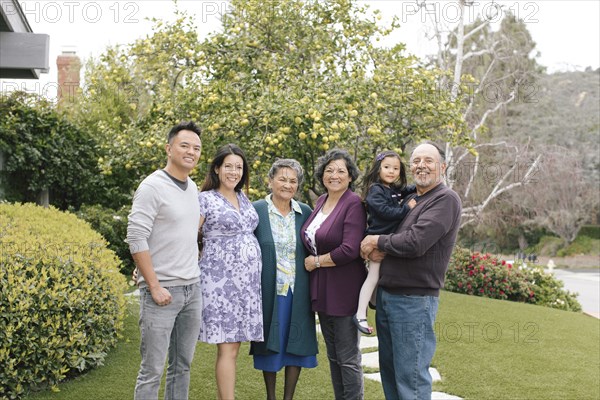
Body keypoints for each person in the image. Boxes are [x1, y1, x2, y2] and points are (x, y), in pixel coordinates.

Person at [360, 142, 462, 400]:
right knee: (391, 375)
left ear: (442, 167)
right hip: (388, 296)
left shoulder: (444, 199)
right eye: (416, 161)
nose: (421, 165)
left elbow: (415, 242)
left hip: (413, 302)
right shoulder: (411, 198)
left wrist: (377, 241)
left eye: (428, 160)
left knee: (411, 380)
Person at [126, 121, 203, 400]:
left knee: (182, 367)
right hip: (161, 292)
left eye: (196, 148)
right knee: (152, 370)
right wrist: (153, 283)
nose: (191, 152)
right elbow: (136, 237)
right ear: (168, 148)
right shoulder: (152, 186)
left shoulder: (193, 187)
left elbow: (185, 234)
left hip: (192, 290)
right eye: (185, 145)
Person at [300, 148, 367, 400]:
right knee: (333, 356)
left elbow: (349, 249)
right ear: (322, 175)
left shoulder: (353, 203)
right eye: (329, 170)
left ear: (350, 176)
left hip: (344, 290)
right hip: (323, 291)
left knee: (348, 358)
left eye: (341, 171)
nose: (334, 175)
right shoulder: (320, 202)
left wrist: (316, 262)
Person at [197, 143, 263, 400]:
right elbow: (189, 235)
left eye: (239, 167)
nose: (234, 172)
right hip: (220, 282)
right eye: (228, 166)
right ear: (217, 168)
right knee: (227, 347)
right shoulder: (205, 199)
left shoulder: (244, 198)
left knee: (233, 347)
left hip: (246, 284)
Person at [251, 159, 318, 400]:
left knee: (296, 343)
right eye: (282, 179)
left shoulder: (305, 213)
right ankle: (271, 396)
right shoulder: (256, 210)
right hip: (269, 289)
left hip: (298, 290)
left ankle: (288, 397)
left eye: (293, 181)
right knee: (271, 342)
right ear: (270, 181)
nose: (287, 184)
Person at [354, 150, 417, 335]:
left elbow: (406, 190)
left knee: (379, 276)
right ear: (378, 168)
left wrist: (418, 187)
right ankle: (360, 315)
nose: (391, 171)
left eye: (396, 168)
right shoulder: (375, 190)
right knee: (373, 277)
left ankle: (373, 301)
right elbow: (385, 212)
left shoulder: (393, 189)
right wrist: (406, 209)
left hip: (386, 240)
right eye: (387, 167)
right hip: (377, 238)